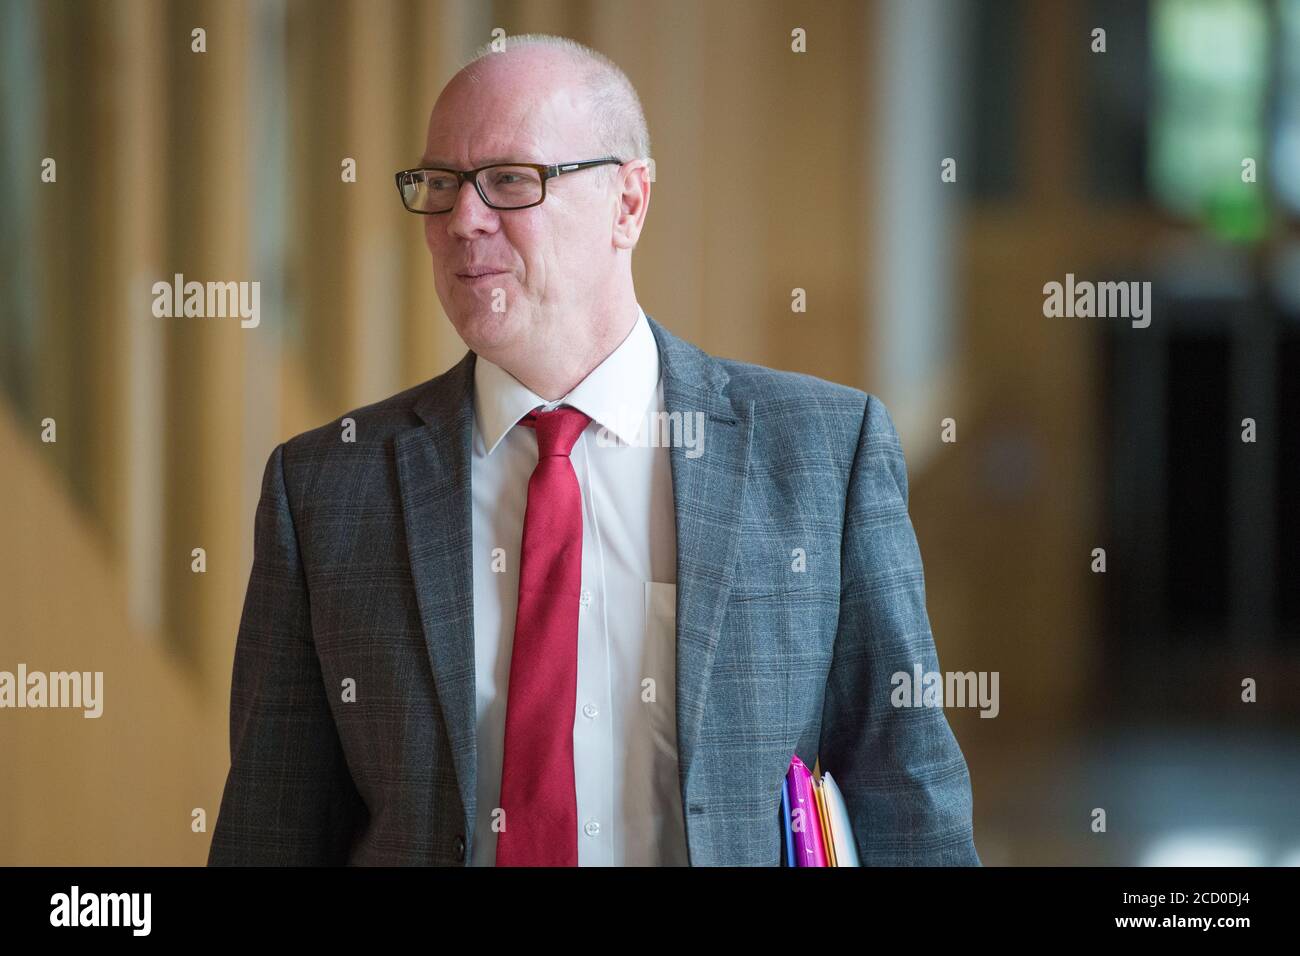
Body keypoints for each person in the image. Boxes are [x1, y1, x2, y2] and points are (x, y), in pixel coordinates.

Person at [208, 33, 978, 867]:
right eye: (441, 185)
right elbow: (271, 832)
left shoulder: (824, 452)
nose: (464, 220)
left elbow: (907, 794)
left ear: (628, 203)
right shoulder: (326, 489)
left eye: (510, 180)